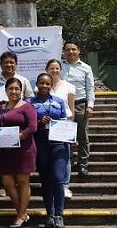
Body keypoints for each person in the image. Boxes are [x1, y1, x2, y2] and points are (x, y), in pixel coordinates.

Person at [0, 78, 37, 228]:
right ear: (5, 90)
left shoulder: (27, 107)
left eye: (17, 89)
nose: (13, 91)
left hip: (24, 150)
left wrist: (18, 136)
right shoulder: (0, 108)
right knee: (8, 183)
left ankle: (20, 215)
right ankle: (22, 213)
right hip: (5, 151)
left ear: (21, 91)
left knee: (23, 181)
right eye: (10, 88)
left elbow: (33, 127)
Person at [28, 73, 69, 228]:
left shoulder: (59, 101)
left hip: (59, 143)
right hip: (40, 143)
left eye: (47, 83)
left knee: (58, 178)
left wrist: (70, 135)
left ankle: (59, 215)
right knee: (46, 179)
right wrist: (39, 122)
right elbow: (27, 124)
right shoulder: (29, 103)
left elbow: (65, 121)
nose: (44, 86)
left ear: (51, 85)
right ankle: (50, 214)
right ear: (37, 84)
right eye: (41, 83)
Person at [61, 39, 95, 176]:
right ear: (64, 52)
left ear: (79, 50)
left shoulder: (86, 68)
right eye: (68, 49)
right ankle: (68, 162)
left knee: (82, 136)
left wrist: (90, 106)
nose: (71, 52)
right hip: (63, 105)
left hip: (80, 104)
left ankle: (82, 164)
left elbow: (90, 88)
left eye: (73, 49)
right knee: (66, 136)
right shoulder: (59, 66)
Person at [46, 59, 76, 199]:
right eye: (51, 68)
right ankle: (53, 184)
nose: (54, 70)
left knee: (66, 157)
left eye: (57, 68)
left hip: (64, 124)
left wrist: (72, 129)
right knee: (51, 156)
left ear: (60, 70)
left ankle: (65, 186)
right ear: (47, 70)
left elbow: (71, 108)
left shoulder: (69, 86)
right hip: (47, 126)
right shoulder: (43, 85)